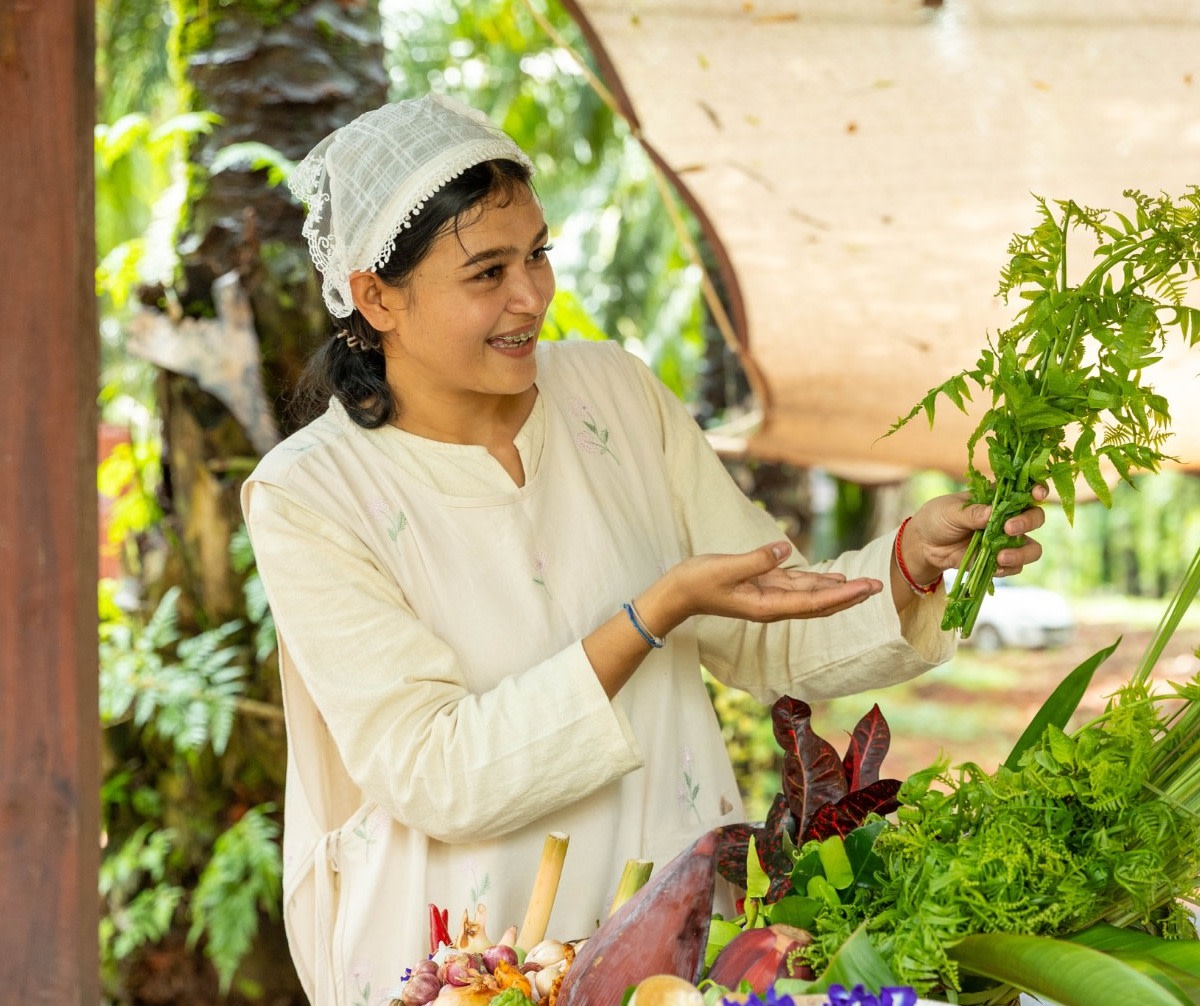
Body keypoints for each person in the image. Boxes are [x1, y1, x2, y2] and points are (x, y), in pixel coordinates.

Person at [244, 93, 1049, 1004]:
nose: (532, 296)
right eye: (487, 272)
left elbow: (763, 620)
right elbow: (435, 773)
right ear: (374, 295)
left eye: (538, 253)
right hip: (464, 965)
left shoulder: (614, 395)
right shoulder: (309, 494)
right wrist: (652, 613)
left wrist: (911, 560)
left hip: (682, 955)